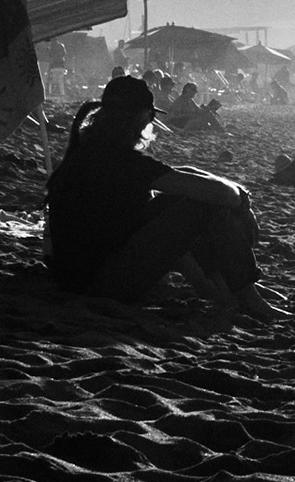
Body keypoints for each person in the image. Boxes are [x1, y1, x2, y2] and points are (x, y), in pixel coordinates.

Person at [44, 76, 274, 316]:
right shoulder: (121, 161)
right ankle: (248, 296)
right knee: (200, 205)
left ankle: (229, 286)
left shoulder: (90, 153)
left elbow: (182, 178)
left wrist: (201, 282)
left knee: (183, 203)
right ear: (141, 117)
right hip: (102, 283)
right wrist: (242, 201)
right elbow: (216, 194)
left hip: (74, 279)